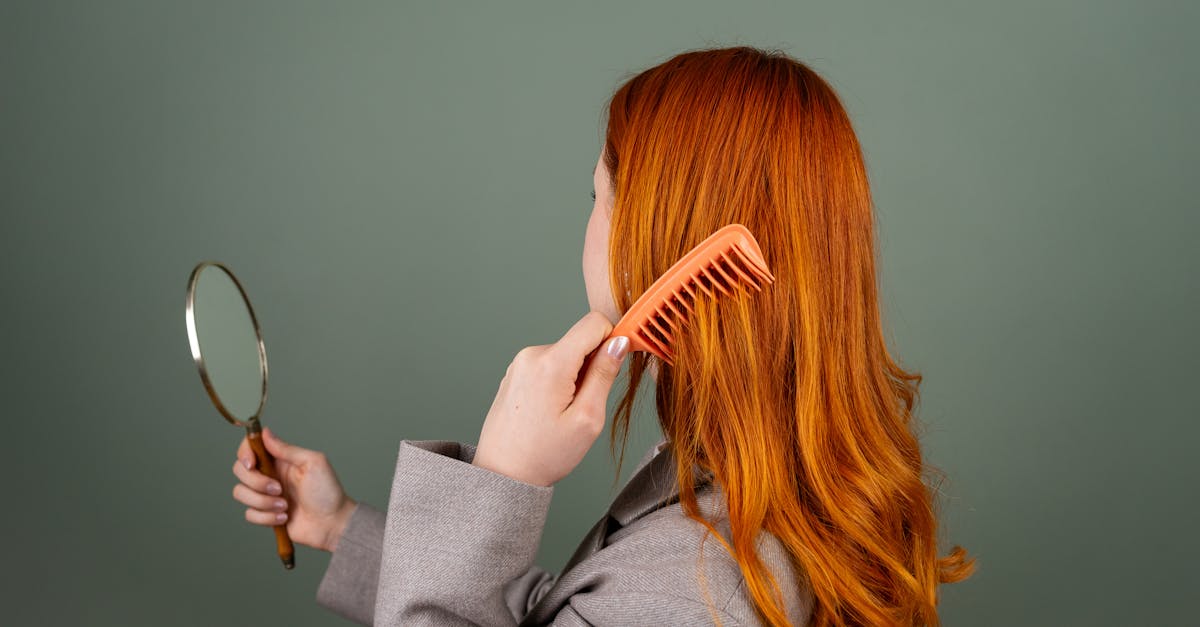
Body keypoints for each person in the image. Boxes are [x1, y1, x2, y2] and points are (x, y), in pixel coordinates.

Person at [230, 45, 975, 627]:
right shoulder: (770, 498)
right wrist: (339, 525)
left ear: (649, 239)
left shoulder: (700, 585)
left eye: (599, 196)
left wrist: (501, 479)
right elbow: (573, 612)